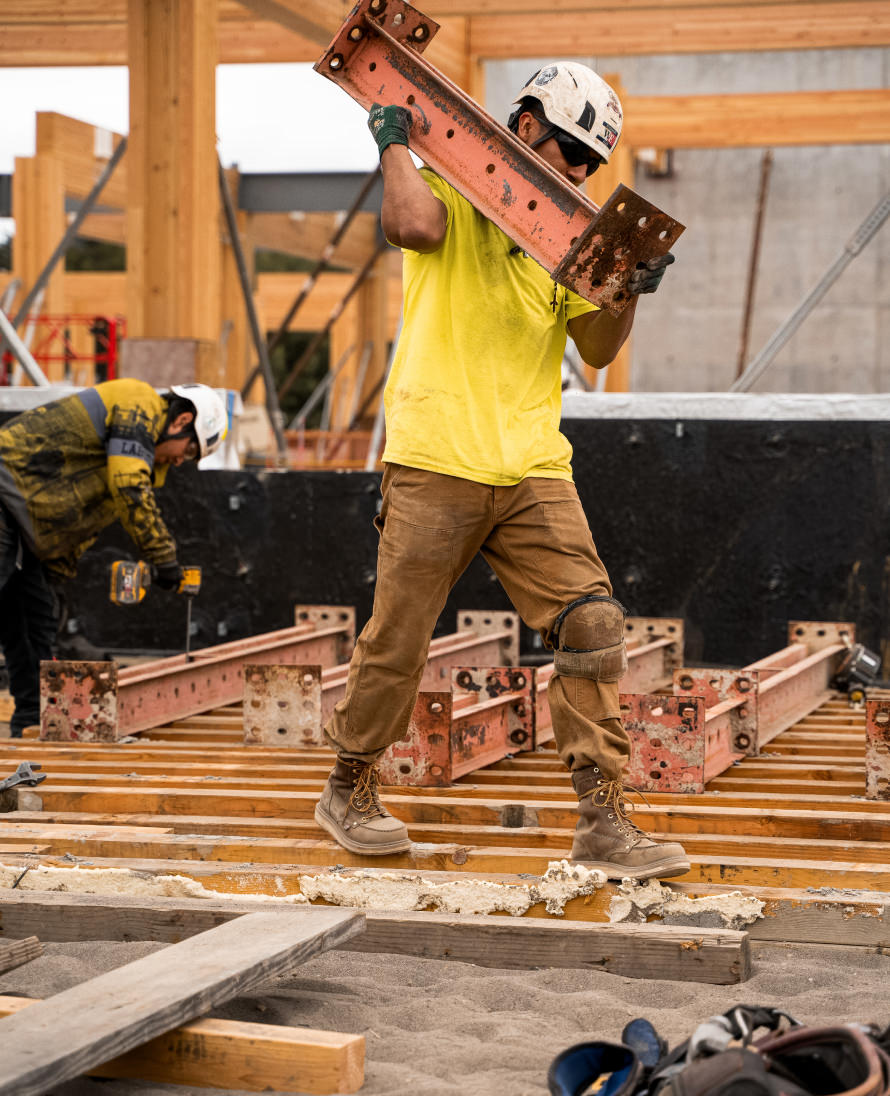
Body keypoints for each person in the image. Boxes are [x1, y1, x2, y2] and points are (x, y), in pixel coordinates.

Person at [314, 62, 689, 881]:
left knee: (592, 625)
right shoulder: (458, 194)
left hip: (531, 465)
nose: (581, 175)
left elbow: (595, 347)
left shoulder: (566, 243)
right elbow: (410, 228)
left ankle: (602, 822)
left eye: (592, 164)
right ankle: (349, 786)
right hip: (436, 453)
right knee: (398, 642)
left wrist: (625, 288)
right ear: (524, 128)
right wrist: (394, 149)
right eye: (571, 154)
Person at [0, 379, 228, 738]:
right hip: (4, 493)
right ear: (182, 421)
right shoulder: (137, 402)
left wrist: (55, 580)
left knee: (35, 627)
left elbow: (79, 526)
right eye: (189, 450)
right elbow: (128, 486)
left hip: (25, 530)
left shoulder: (139, 457)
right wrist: (164, 558)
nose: (181, 460)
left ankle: (30, 730)